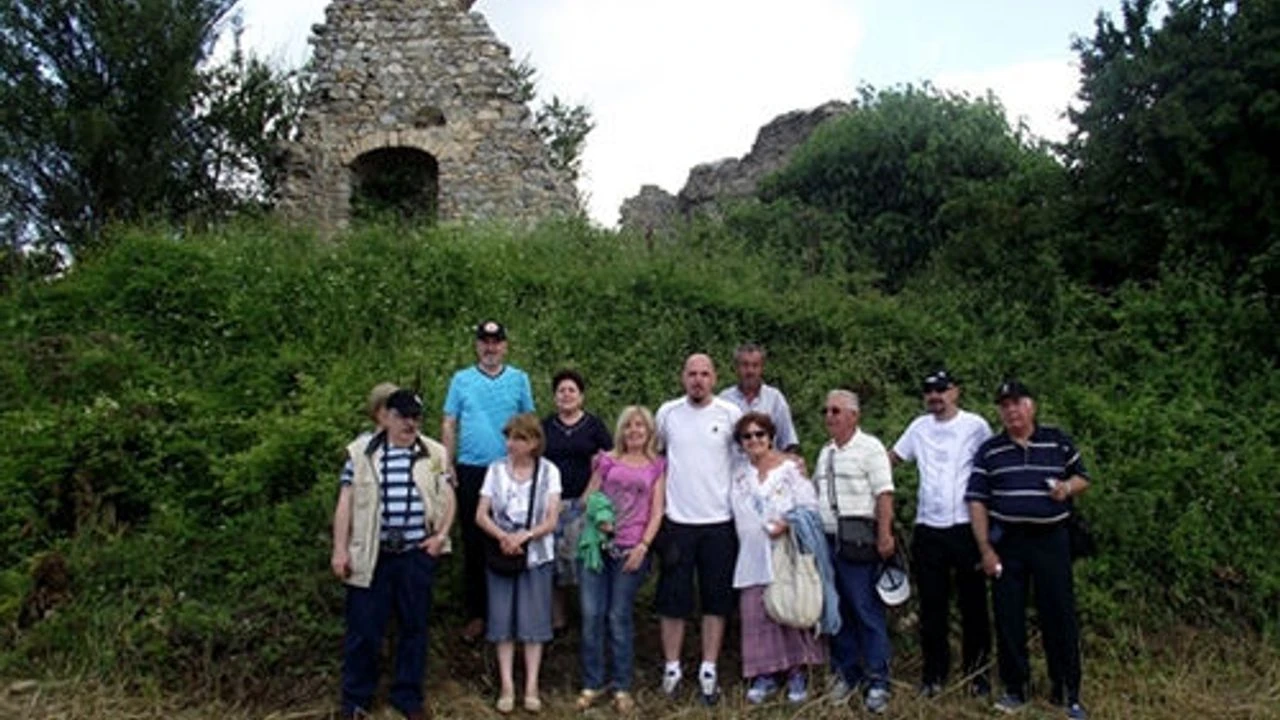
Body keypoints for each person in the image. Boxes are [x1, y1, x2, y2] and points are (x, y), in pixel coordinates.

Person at [966, 380, 1091, 719]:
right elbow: (976, 500)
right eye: (1004, 405)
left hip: (1051, 540)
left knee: (1059, 615)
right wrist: (985, 549)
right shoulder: (990, 450)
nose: (1011, 410)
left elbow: (1083, 477)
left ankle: (1066, 691)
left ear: (1031, 406)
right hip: (1008, 542)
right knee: (1008, 618)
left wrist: (1067, 487)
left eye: (1017, 403)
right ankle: (1015, 689)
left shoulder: (1057, 440)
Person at [331, 389, 455, 720]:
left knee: (414, 628)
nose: (410, 423)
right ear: (385, 417)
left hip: (416, 554)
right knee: (364, 631)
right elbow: (345, 502)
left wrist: (440, 536)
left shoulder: (435, 452)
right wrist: (340, 549)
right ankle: (356, 701)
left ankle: (408, 698)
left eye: (415, 417)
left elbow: (449, 497)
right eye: (402, 416)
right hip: (372, 555)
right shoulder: (360, 453)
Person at [889, 369, 994, 698]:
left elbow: (991, 466)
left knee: (973, 604)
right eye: (929, 391)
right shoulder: (918, 428)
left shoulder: (975, 425)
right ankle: (934, 674)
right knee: (932, 607)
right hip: (928, 527)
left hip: (966, 526)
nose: (935, 396)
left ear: (955, 392)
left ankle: (977, 675)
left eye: (942, 390)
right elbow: (891, 459)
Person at [653, 353, 743, 705]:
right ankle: (672, 669)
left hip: (719, 522)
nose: (698, 380)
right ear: (682, 377)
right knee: (673, 600)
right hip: (677, 522)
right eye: (692, 373)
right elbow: (656, 461)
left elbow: (744, 462)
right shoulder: (667, 413)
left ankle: (709, 669)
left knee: (715, 600)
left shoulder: (730, 414)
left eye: (705, 374)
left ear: (715, 378)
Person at [442, 320, 535, 642]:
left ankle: (512, 613)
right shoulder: (461, 380)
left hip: (510, 470)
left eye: (496, 342)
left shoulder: (519, 379)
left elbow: (529, 423)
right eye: (485, 341)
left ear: (505, 346)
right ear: (477, 345)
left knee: (511, 538)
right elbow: (449, 422)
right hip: (471, 469)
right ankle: (478, 613)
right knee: (473, 541)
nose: (490, 347)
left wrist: (530, 462)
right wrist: (447, 464)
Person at [729, 412, 826, 705]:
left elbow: (810, 506)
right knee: (755, 614)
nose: (754, 440)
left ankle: (796, 672)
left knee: (787, 609)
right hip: (750, 554)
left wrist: (786, 524)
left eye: (760, 434)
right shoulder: (737, 472)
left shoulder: (789, 469)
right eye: (747, 436)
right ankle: (764, 675)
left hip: (784, 551)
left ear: (770, 436)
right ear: (741, 443)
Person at [574, 406, 666, 714]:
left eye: (640, 426)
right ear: (621, 431)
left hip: (630, 551)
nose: (635, 431)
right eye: (629, 426)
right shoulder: (607, 460)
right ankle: (592, 682)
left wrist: (643, 546)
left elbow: (657, 511)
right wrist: (600, 514)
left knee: (618, 616)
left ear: (649, 431)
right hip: (597, 548)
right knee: (591, 615)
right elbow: (587, 497)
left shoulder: (657, 466)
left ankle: (622, 685)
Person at [813, 390, 896, 714]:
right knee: (839, 610)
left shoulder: (870, 448)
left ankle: (878, 679)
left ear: (853, 415)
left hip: (860, 540)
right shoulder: (826, 452)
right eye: (826, 410)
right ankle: (846, 674)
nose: (829, 416)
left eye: (836, 410)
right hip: (830, 540)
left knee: (865, 609)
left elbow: (884, 494)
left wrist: (885, 534)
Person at [475, 413, 562, 715]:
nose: (512, 444)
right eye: (510, 437)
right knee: (502, 621)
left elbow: (552, 518)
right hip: (501, 553)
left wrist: (525, 536)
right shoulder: (495, 469)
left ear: (534, 442)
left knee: (534, 621)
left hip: (536, 555)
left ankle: (532, 686)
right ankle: (507, 686)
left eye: (519, 438)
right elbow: (481, 514)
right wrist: (504, 537)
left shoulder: (549, 471)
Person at [541, 369, 614, 632]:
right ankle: (557, 619)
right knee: (555, 564)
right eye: (561, 390)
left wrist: (589, 495)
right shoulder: (546, 426)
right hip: (553, 504)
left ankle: (590, 620)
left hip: (586, 503)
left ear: (581, 396)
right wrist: (552, 498)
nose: (566, 395)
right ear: (555, 396)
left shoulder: (594, 426)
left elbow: (608, 461)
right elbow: (538, 464)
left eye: (572, 390)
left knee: (585, 561)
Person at [719, 342, 800, 453]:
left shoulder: (775, 399)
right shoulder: (724, 399)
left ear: (762, 368)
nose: (750, 371)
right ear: (737, 368)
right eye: (745, 365)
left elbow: (788, 443)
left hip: (768, 468)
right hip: (734, 469)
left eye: (755, 365)